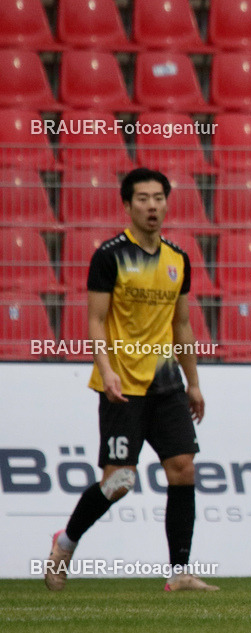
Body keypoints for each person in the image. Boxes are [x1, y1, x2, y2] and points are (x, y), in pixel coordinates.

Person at [45, 168, 218, 592]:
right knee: (119, 482)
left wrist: (194, 383)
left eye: (159, 197)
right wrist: (105, 371)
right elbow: (96, 320)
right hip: (122, 385)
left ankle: (179, 572)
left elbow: (182, 325)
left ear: (167, 203)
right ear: (127, 205)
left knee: (183, 469)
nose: (152, 206)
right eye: (143, 198)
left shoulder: (178, 259)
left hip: (166, 382)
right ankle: (64, 543)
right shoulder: (110, 256)